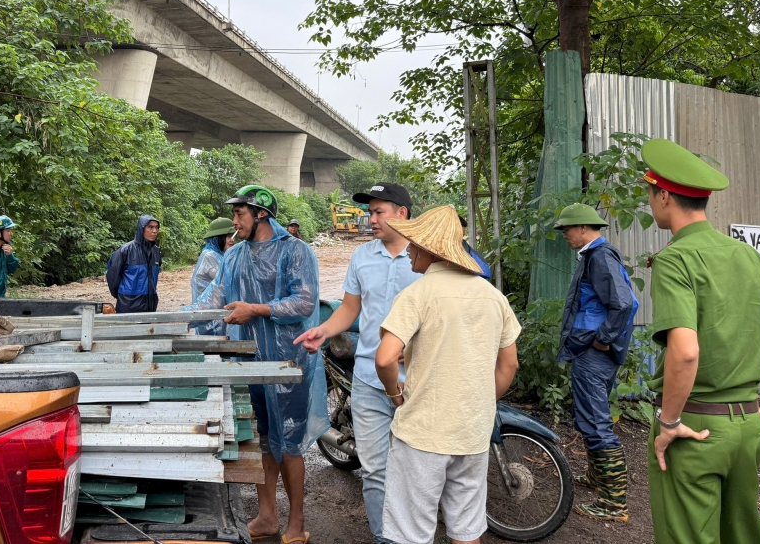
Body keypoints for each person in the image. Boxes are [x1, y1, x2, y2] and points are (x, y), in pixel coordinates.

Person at [641, 138, 760, 544]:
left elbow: (684, 352)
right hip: (748, 426)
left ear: (663, 196)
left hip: (695, 425)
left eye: (649, 194)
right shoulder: (748, 256)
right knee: (743, 534)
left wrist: (669, 423)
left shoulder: (675, 259)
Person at [187, 185, 327, 544]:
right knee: (262, 437)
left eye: (240, 214)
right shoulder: (234, 257)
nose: (234, 221)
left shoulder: (295, 252)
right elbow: (212, 299)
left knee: (290, 442)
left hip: (288, 360)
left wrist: (257, 309)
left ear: (261, 214)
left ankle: (297, 522)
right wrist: (172, 321)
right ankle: (267, 516)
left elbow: (304, 303)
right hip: (248, 358)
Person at [375, 205, 521, 544]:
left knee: (412, 531)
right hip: (472, 433)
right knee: (467, 527)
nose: (409, 249)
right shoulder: (493, 296)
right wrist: (481, 402)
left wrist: (395, 395)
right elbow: (509, 364)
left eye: (414, 243)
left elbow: (384, 359)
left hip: (423, 433)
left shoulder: (417, 294)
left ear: (430, 248)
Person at [294, 183, 420, 544]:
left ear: (402, 214)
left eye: (379, 211)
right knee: (375, 469)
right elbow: (350, 309)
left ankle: (418, 533)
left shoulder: (426, 257)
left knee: (417, 468)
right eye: (370, 211)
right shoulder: (363, 256)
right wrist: (323, 330)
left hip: (417, 381)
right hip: (368, 378)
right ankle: (386, 538)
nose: (371, 218)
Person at [554, 203, 638, 521]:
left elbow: (623, 303)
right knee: (589, 417)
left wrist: (603, 339)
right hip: (590, 352)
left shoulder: (600, 257)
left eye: (567, 228)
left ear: (584, 228)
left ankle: (614, 504)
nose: (564, 234)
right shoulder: (593, 256)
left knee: (597, 423)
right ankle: (596, 478)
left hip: (593, 353)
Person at [106, 214, 162, 313]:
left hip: (150, 303)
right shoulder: (125, 250)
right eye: (150, 227)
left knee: (148, 329)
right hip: (128, 303)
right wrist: (122, 296)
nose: (154, 231)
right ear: (142, 229)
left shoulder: (156, 252)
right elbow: (113, 277)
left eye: (156, 227)